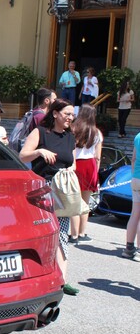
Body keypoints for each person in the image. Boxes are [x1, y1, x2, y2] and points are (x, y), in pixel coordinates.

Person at [19, 98, 79, 295]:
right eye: (67, 114)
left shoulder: (71, 137)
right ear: (55, 114)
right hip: (41, 189)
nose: (71, 118)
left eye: (72, 114)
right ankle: (32, 275)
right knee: (40, 231)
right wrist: (39, 151)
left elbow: (73, 162)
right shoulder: (40, 132)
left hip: (61, 190)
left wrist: (70, 172)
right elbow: (23, 156)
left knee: (62, 232)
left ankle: (61, 279)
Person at [69, 104, 102, 244]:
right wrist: (96, 171)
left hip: (76, 164)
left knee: (74, 199)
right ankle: (82, 233)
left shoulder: (74, 128)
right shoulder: (97, 132)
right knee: (85, 201)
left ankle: (74, 233)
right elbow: (98, 156)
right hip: (90, 165)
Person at [123, 131, 140, 261]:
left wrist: (135, 174)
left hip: (136, 178)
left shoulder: (138, 136)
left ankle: (129, 248)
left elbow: (133, 158)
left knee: (135, 214)